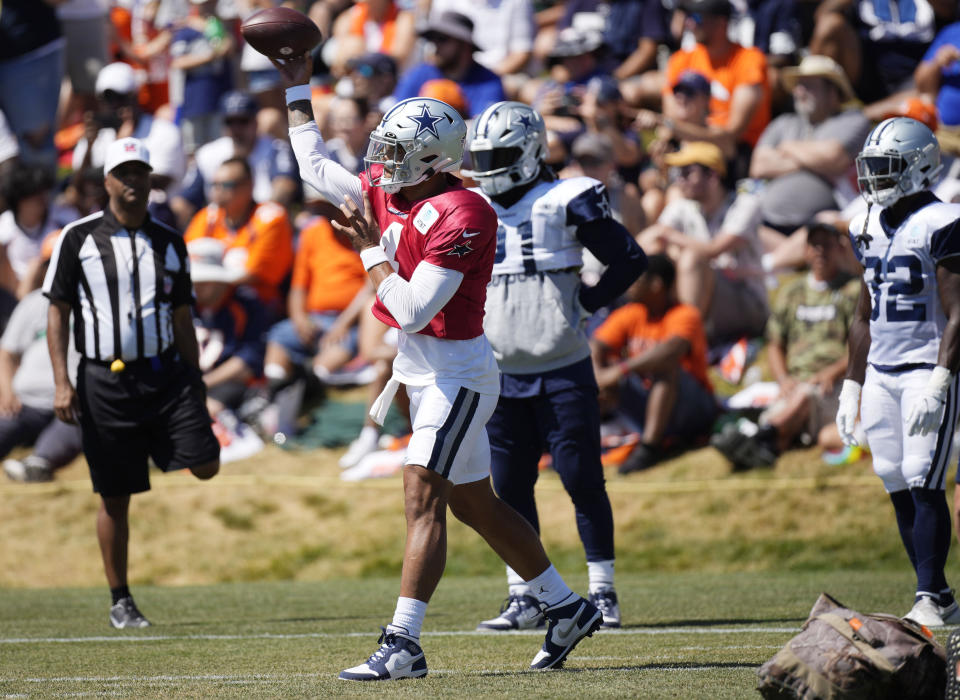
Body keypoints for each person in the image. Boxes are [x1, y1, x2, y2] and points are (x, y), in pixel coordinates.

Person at [277, 54, 602, 679]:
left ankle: (404, 642)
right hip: (421, 370)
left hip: (458, 373)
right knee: (475, 505)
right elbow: (313, 166)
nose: (381, 162)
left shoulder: (466, 213)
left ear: (431, 162)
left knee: (420, 491)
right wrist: (297, 78)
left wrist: (369, 248)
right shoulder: (388, 187)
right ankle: (566, 609)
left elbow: (411, 307)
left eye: (395, 151)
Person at [461, 101, 646, 631]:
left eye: (499, 154)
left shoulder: (564, 197)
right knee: (509, 488)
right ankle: (527, 594)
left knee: (582, 479)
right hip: (498, 370)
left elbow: (629, 257)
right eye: (483, 156)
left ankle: (602, 591)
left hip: (562, 364)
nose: (490, 166)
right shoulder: (474, 204)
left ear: (530, 150)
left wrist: (586, 304)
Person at [43, 137, 220, 629]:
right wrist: (62, 381)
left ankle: (159, 449)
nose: (133, 182)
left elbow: (183, 314)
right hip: (102, 378)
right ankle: (120, 597)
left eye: (140, 171)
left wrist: (197, 378)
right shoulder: (77, 239)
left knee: (206, 463)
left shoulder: (169, 241)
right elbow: (56, 311)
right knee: (114, 497)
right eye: (123, 173)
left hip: (165, 374)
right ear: (107, 182)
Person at [835, 117, 960, 628]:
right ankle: (939, 594)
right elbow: (864, 315)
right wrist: (850, 385)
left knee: (923, 477)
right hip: (882, 370)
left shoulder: (943, 221)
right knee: (893, 477)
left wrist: (941, 378)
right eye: (870, 169)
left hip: (926, 367)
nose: (873, 180)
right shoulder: (863, 224)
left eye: (885, 169)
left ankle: (929, 593)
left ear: (918, 167)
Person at [712, 223, 860, 470]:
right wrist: (782, 378)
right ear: (806, 251)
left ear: (840, 249)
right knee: (787, 405)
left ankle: (761, 442)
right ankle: (765, 446)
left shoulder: (853, 290)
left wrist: (832, 372)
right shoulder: (791, 292)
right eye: (815, 245)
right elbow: (775, 343)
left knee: (803, 397)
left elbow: (861, 346)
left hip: (835, 385)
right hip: (796, 383)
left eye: (827, 245)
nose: (820, 251)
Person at [591, 254, 715, 473]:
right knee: (599, 365)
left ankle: (650, 448)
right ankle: (571, 442)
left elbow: (670, 353)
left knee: (664, 367)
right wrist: (600, 374)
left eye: (637, 279)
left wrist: (619, 370)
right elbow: (595, 346)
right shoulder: (632, 313)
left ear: (656, 285)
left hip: (693, 409)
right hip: (650, 401)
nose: (629, 285)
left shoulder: (685, 314)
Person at [637, 141, 768, 348]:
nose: (680, 179)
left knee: (692, 258)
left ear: (713, 176)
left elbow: (713, 250)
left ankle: (685, 345)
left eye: (688, 172)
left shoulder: (745, 204)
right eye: (678, 173)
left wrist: (667, 235)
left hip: (749, 304)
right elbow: (645, 243)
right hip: (708, 299)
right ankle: (654, 334)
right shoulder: (684, 206)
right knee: (655, 253)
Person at [749, 55, 871, 262]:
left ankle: (770, 266)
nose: (799, 91)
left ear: (832, 93)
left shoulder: (853, 121)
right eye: (798, 85)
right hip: (767, 225)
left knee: (824, 227)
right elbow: (758, 166)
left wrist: (787, 148)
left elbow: (834, 158)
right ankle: (780, 263)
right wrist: (813, 160)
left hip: (820, 229)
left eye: (808, 85)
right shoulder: (783, 122)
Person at [183, 157, 294, 317]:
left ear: (249, 186)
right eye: (215, 185)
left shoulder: (271, 217)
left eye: (227, 185)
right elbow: (188, 262)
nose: (218, 190)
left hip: (256, 304)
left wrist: (210, 273)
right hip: (206, 298)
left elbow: (253, 274)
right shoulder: (207, 217)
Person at [392, 11, 506, 118]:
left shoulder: (488, 82)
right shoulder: (420, 73)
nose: (435, 45)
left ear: (465, 45)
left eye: (442, 39)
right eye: (432, 39)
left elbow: (484, 126)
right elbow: (397, 115)